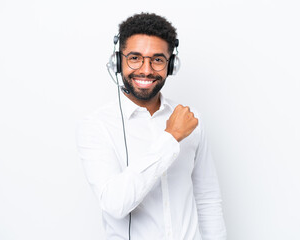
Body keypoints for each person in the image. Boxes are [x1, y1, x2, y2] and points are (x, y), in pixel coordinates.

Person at [77, 12, 226, 240]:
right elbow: (115, 204)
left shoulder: (192, 119)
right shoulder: (96, 126)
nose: (146, 70)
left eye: (157, 60)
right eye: (135, 58)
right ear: (117, 61)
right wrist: (171, 137)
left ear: (171, 65)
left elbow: (207, 199)